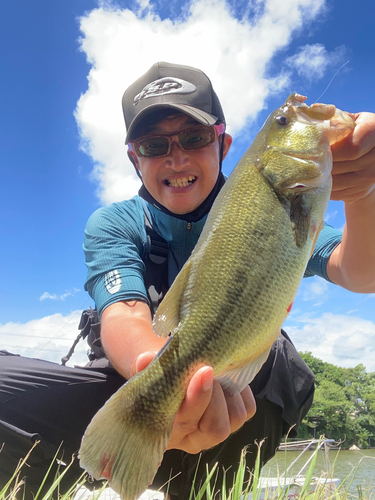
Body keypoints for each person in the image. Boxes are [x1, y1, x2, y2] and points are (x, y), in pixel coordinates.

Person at [0, 62, 374, 500]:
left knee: (282, 364)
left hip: (237, 397)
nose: (176, 158)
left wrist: (364, 197)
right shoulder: (114, 222)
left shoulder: (269, 201)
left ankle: (202, 486)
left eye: (195, 138)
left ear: (224, 144)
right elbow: (122, 314)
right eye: (154, 144)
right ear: (134, 158)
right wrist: (166, 392)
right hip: (135, 385)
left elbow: (359, 272)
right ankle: (91, 469)